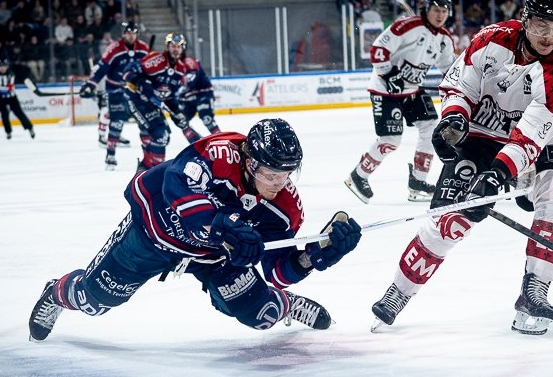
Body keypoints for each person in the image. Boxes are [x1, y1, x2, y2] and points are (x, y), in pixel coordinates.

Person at [369, 0, 553, 336]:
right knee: (449, 221)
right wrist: (453, 118)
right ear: (526, 19)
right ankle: (397, 292)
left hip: (542, 142)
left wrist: (499, 174)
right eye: (542, 25)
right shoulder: (491, 39)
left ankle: (535, 289)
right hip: (483, 134)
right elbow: (460, 87)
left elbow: (530, 136)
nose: (549, 35)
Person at [28, 118, 362, 341]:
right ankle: (56, 292)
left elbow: (277, 270)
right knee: (92, 301)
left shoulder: (284, 208)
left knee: (263, 313)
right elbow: (178, 183)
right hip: (155, 235)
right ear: (250, 162)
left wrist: (314, 257)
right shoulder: (220, 154)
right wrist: (222, 225)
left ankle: (287, 306)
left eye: (288, 174)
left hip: (214, 255)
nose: (280, 183)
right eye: (272, 174)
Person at [344, 0, 457, 204]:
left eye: (444, 11)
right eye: (436, 10)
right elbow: (378, 49)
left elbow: (449, 69)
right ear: (428, 10)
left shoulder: (444, 39)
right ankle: (358, 176)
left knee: (431, 128)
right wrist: (389, 74)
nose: (440, 15)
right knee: (390, 140)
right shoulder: (408, 26)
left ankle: (418, 183)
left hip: (411, 90)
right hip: (384, 90)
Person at [79, 21, 150, 169]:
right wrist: (90, 84)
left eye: (133, 33)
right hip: (116, 90)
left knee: (144, 123)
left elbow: (148, 69)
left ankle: (148, 157)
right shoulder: (114, 49)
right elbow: (101, 67)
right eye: (128, 33)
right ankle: (110, 156)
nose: (131, 36)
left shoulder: (143, 48)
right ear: (123, 34)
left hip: (134, 92)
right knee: (116, 123)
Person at [123, 31, 189, 172]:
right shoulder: (156, 60)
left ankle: (145, 168)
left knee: (163, 137)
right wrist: (140, 82)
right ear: (167, 47)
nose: (176, 49)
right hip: (136, 99)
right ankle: (150, 170)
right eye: (172, 46)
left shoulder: (181, 70)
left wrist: (178, 114)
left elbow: (170, 98)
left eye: (179, 46)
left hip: (152, 104)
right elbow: (128, 72)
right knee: (160, 135)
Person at [172, 55, 221, 143]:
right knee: (181, 121)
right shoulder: (170, 66)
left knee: (206, 117)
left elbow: (189, 81)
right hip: (188, 98)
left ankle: (221, 139)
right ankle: (196, 143)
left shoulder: (188, 61)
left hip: (203, 93)